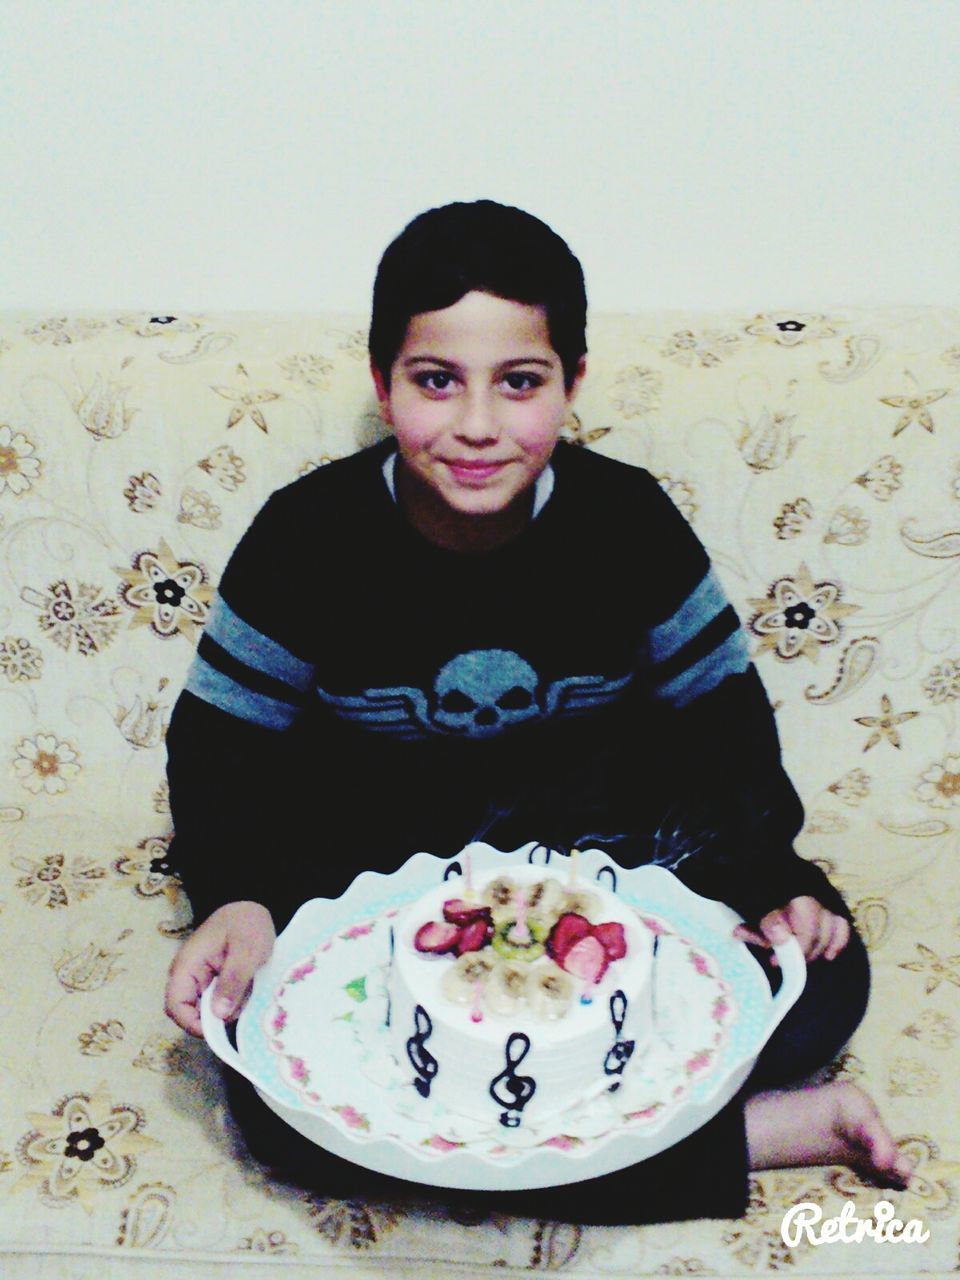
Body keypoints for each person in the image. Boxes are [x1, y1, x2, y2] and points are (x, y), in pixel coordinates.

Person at [164, 200, 911, 1223]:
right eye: (437, 381)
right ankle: (765, 1134)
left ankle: (540, 1121)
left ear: (573, 384)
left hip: (611, 864)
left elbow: (722, 725)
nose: (477, 424)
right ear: (383, 383)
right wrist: (237, 895)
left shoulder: (629, 522)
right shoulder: (306, 538)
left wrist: (770, 877)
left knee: (817, 980)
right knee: (270, 1104)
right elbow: (220, 750)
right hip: (374, 885)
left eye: (519, 382)